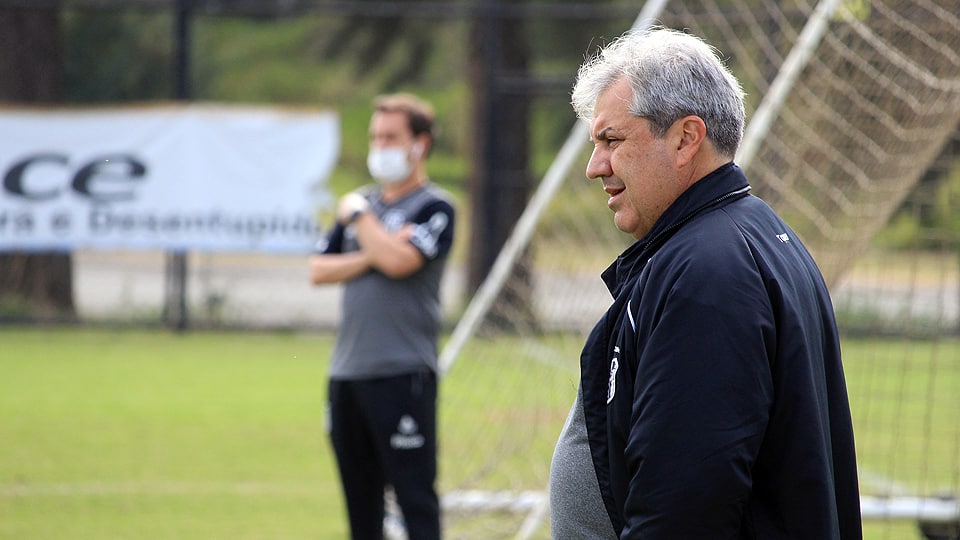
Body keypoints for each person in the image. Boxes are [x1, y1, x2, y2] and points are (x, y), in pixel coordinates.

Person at [549, 28, 862, 539]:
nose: (594, 166)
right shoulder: (748, 233)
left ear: (685, 139)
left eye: (612, 140)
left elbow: (686, 504)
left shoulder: (708, 273)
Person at [310, 93, 455, 540]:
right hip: (346, 376)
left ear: (420, 144)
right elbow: (318, 270)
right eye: (376, 136)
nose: (380, 146)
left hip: (402, 375)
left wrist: (359, 219)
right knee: (361, 510)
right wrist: (375, 249)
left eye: (391, 137)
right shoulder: (365, 208)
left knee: (415, 503)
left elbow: (400, 264)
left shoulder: (435, 207)